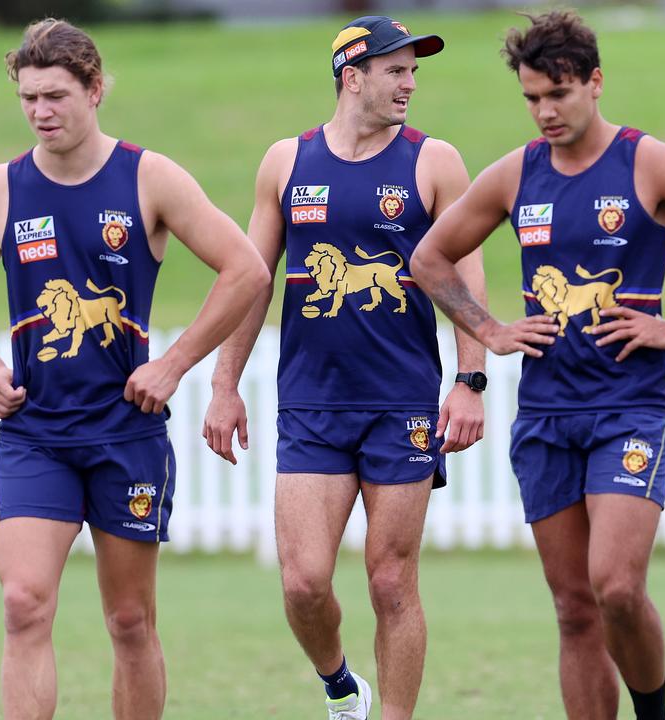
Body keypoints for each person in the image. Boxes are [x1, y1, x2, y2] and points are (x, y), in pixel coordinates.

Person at [0, 18, 267, 720]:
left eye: (54, 96)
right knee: (23, 605)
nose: (39, 112)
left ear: (94, 90)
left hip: (127, 434)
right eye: (28, 98)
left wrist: (176, 364)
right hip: (36, 435)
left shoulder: (148, 176)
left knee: (128, 621)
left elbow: (246, 270)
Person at [410, 10, 665, 719]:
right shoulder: (516, 174)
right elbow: (427, 259)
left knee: (616, 588)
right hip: (545, 415)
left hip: (630, 408)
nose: (544, 110)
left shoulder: (650, 162)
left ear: (596, 83)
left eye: (559, 94)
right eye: (532, 97)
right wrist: (489, 328)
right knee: (574, 609)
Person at [204, 15, 487, 720]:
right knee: (303, 583)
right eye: (397, 71)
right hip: (310, 404)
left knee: (392, 584)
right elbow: (251, 280)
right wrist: (223, 383)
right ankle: (339, 686)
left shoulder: (435, 162)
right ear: (351, 76)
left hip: (403, 404)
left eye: (415, 71)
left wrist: (470, 378)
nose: (410, 83)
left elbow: (467, 283)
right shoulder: (286, 163)